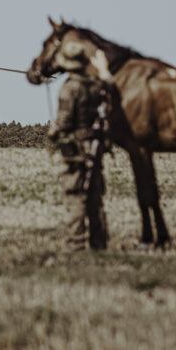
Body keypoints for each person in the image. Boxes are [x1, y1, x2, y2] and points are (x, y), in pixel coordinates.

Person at [47, 65, 110, 251]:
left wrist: (53, 133)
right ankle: (99, 242)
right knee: (95, 196)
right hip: (94, 146)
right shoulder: (97, 85)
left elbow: (64, 121)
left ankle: (75, 243)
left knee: (75, 196)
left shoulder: (71, 88)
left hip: (75, 149)